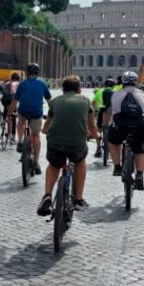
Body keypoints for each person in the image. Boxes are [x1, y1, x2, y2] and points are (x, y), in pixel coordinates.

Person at [37, 76, 98, 215]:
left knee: (54, 164)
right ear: (79, 89)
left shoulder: (56, 101)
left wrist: (45, 130)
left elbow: (47, 125)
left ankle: (47, 195)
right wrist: (96, 135)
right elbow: (91, 125)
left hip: (55, 142)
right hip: (76, 143)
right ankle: (78, 198)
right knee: (80, 161)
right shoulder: (85, 101)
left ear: (63, 89)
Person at [105, 71, 144, 188]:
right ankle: (139, 175)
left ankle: (117, 167)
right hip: (139, 125)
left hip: (120, 124)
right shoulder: (143, 94)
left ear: (122, 81)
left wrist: (106, 125)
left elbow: (108, 112)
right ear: (136, 81)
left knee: (113, 143)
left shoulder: (115, 94)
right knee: (141, 151)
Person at [9, 63, 51, 175]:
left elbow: (15, 101)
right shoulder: (42, 84)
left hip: (23, 111)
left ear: (27, 72)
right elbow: (49, 101)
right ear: (38, 73)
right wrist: (52, 113)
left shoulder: (22, 84)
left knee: (20, 122)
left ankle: (20, 141)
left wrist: (9, 112)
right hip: (37, 113)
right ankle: (36, 162)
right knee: (36, 135)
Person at [92, 77, 115, 158]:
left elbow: (94, 102)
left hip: (101, 112)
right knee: (112, 130)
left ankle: (98, 148)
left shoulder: (99, 91)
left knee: (99, 130)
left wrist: (95, 111)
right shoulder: (115, 92)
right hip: (111, 113)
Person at [0, 72, 20, 144]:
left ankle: (5, 120)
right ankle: (13, 137)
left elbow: (3, 91)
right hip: (12, 101)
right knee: (13, 118)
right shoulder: (18, 84)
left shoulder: (8, 83)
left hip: (4, 100)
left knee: (6, 112)